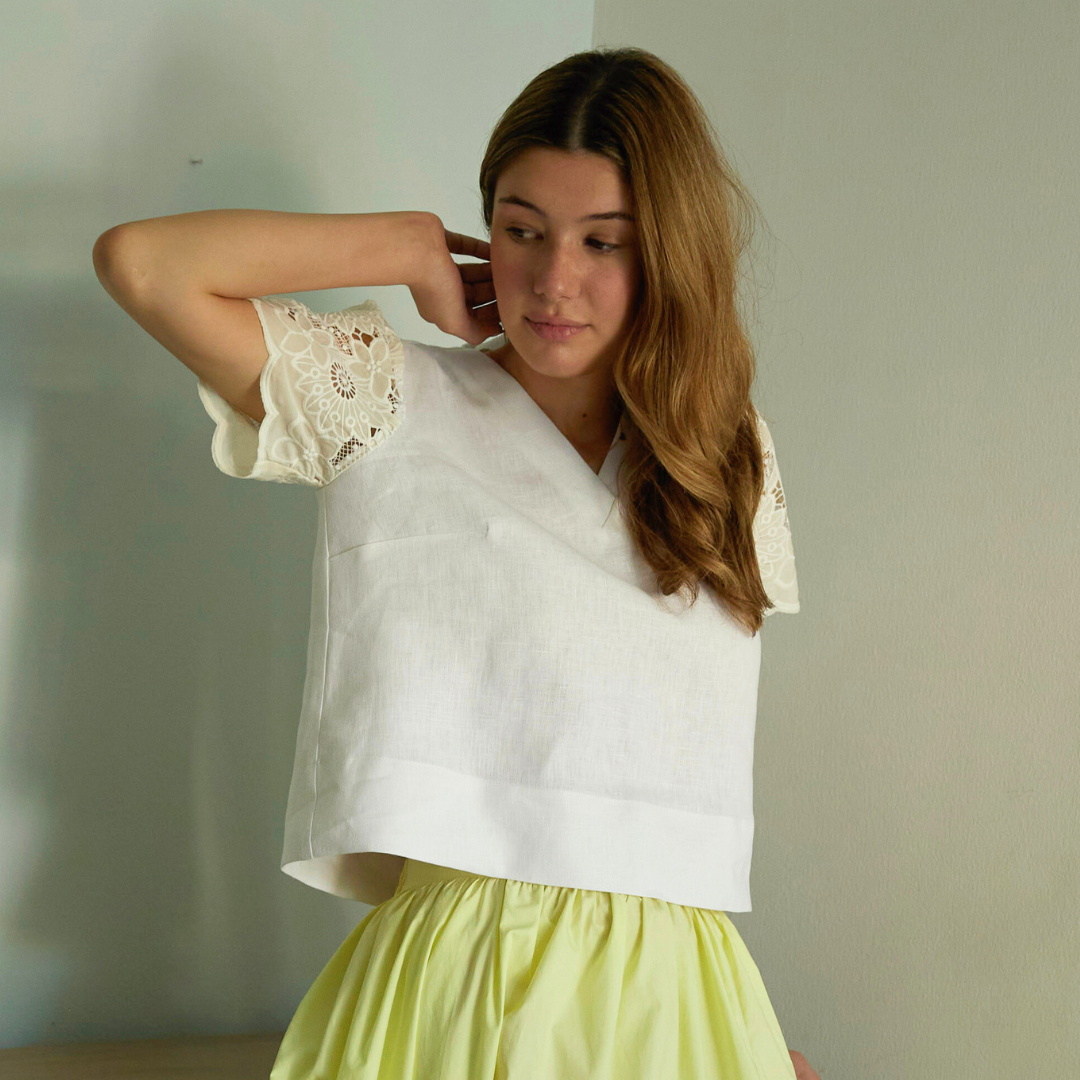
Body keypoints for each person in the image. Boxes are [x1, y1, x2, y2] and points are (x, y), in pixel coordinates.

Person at [93, 45, 821, 1080]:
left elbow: (669, 775)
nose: (553, 280)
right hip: (458, 977)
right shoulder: (387, 400)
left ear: (670, 255)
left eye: (603, 243)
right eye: (523, 232)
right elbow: (143, 266)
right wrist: (407, 246)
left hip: (684, 995)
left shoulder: (728, 456)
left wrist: (743, 1029)